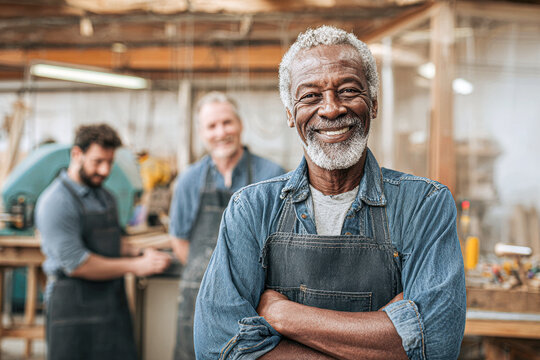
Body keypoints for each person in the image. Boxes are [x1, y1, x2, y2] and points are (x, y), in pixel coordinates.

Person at [194, 26, 466, 359]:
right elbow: (218, 347)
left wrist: (285, 316)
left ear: (374, 104)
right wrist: (387, 335)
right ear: (291, 115)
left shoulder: (424, 205)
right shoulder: (251, 209)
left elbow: (436, 344)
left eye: (348, 90)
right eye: (310, 95)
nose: (331, 109)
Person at [36, 124, 171, 360]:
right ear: (77, 154)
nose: (105, 170)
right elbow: (78, 264)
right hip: (72, 308)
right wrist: (136, 267)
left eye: (110, 162)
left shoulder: (104, 195)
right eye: (98, 161)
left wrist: (140, 252)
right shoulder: (56, 202)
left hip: (111, 302)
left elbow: (111, 242)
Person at [169, 92, 285, 360]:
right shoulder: (189, 180)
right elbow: (179, 241)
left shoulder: (272, 175)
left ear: (240, 124)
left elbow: (282, 242)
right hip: (199, 298)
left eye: (227, 122)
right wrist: (216, 281)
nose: (221, 132)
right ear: (201, 133)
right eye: (212, 126)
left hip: (256, 300)